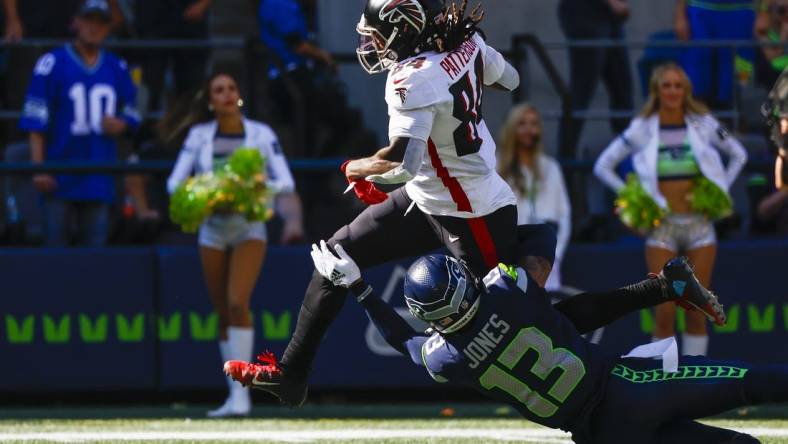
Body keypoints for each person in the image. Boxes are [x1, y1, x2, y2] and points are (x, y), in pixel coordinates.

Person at [227, 245, 760, 444]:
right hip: (622, 386)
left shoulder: (446, 360)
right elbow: (530, 260)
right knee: (758, 383)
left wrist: (361, 287)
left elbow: (404, 341)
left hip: (598, 429)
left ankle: (660, 286)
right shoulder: (507, 291)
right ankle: (659, 286)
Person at [165, 72, 304, 417]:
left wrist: (252, 190)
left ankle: (243, 396)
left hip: (249, 228)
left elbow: (285, 181)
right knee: (222, 311)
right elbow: (173, 184)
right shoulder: (198, 136)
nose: (226, 94)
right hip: (211, 230)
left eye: (231, 88)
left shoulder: (261, 134)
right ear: (211, 101)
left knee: (237, 301)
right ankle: (233, 395)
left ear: (239, 96)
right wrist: (206, 193)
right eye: (218, 90)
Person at [594, 63, 747, 356]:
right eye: (667, 85)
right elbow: (603, 165)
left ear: (685, 89)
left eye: (678, 85)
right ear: (656, 91)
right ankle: (660, 383)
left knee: (696, 308)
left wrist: (719, 193)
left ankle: (694, 383)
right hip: (661, 226)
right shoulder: (642, 128)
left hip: (700, 226)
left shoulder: (703, 122)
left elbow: (739, 154)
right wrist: (633, 198)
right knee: (663, 310)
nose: (673, 91)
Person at [18, 0, 140, 246]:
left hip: (99, 174)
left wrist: (122, 123)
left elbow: (135, 109)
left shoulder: (117, 66)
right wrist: (39, 167)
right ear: (76, 22)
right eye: (88, 20)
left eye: (101, 23)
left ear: (108, 28)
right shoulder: (52, 63)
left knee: (94, 258)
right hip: (59, 174)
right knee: (55, 255)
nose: (94, 28)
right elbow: (35, 121)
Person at [498, 104, 571, 292]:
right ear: (512, 128)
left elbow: (564, 215)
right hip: (509, 255)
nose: (529, 129)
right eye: (522, 123)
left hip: (544, 256)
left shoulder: (550, 166)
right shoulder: (496, 167)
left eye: (534, 123)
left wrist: (555, 255)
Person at [556, 0, 633, 159]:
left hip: (609, 15)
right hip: (584, 10)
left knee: (623, 90)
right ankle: (566, 164)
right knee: (582, 89)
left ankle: (625, 159)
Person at [674, 0, 756, 109]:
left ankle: (732, 118)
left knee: (739, 74)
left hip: (741, 10)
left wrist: (764, 12)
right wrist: (680, 14)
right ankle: (697, 118)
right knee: (697, 73)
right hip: (700, 10)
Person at [133, 0, 212, 113]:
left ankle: (191, 127)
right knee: (149, 84)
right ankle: (147, 127)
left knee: (191, 88)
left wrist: (203, 4)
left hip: (190, 16)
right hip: (151, 17)